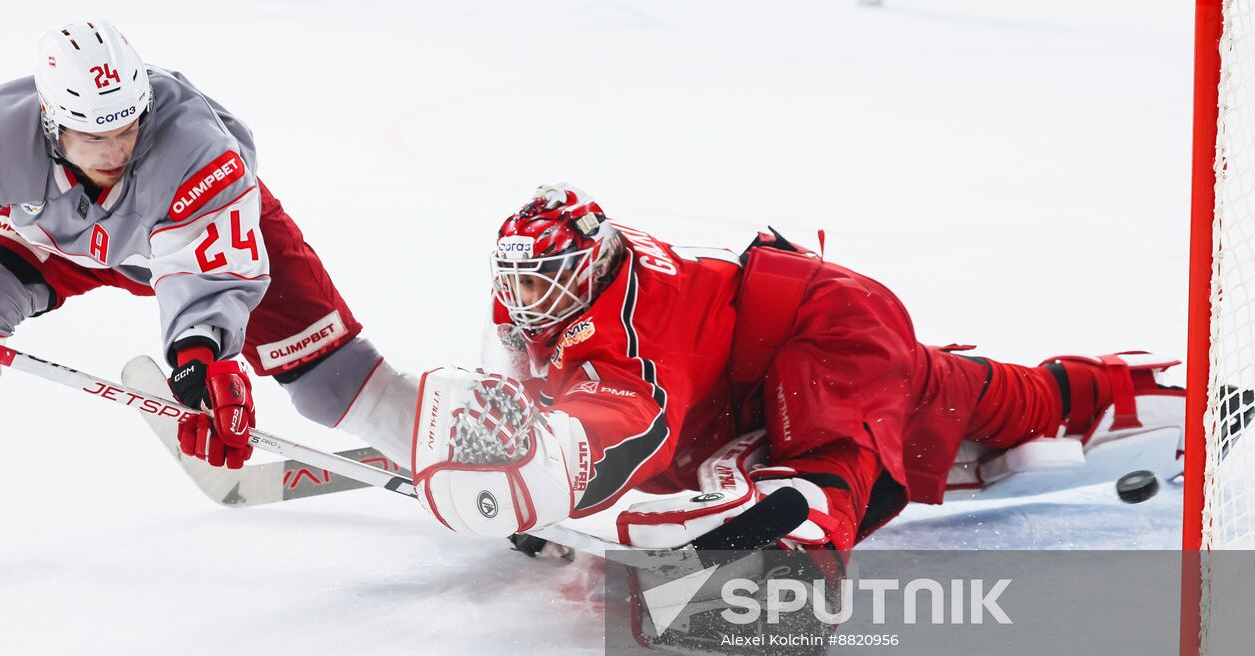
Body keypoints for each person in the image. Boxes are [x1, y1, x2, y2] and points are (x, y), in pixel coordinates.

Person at [0, 20, 415, 575]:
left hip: (207, 232)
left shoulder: (200, 150)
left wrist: (200, 363)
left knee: (331, 383)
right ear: (51, 122)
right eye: (95, 136)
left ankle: (460, 459)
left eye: (127, 129)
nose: (116, 151)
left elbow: (207, 280)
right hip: (55, 236)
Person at [409, 183, 1186, 554]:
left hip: (826, 327)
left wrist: (555, 475)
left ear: (591, 266)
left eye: (541, 278)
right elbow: (568, 388)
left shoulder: (642, 320)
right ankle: (1134, 391)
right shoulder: (557, 290)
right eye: (515, 276)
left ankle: (805, 539)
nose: (522, 295)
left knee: (828, 439)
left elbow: (636, 421)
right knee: (967, 395)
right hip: (758, 363)